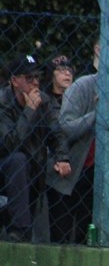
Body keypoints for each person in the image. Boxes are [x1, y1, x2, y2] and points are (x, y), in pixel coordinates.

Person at [47, 55, 109, 245]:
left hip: (98, 172)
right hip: (69, 169)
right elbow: (64, 129)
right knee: (60, 236)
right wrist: (97, 114)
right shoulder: (82, 87)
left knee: (84, 234)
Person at [0, 54, 70, 242]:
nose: (35, 83)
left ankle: (20, 230)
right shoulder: (3, 102)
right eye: (29, 78)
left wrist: (62, 157)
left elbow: (57, 133)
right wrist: (29, 110)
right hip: (5, 167)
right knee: (18, 160)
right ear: (14, 81)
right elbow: (9, 144)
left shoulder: (44, 102)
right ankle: (20, 229)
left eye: (37, 77)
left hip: (32, 171)